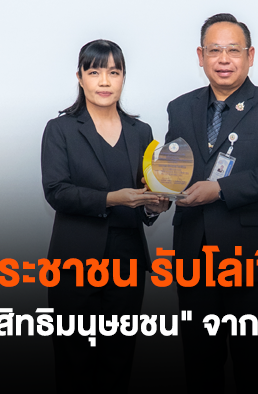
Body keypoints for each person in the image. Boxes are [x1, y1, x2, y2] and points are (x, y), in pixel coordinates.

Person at [166, 14, 258, 392]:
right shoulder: (179, 108)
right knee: (200, 366)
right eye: (214, 50)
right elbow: (173, 171)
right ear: (200, 56)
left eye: (233, 50)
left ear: (250, 55)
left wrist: (221, 189)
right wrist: (157, 197)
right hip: (193, 257)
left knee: (253, 367)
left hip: (252, 260)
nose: (223, 59)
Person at [41, 39, 169, 394]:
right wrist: (112, 198)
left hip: (126, 260)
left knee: (118, 360)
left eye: (114, 72)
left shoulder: (141, 132)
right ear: (80, 78)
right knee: (74, 361)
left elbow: (146, 190)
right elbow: (56, 191)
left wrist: (155, 205)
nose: (104, 81)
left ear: (124, 78)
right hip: (74, 262)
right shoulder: (61, 129)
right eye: (94, 71)